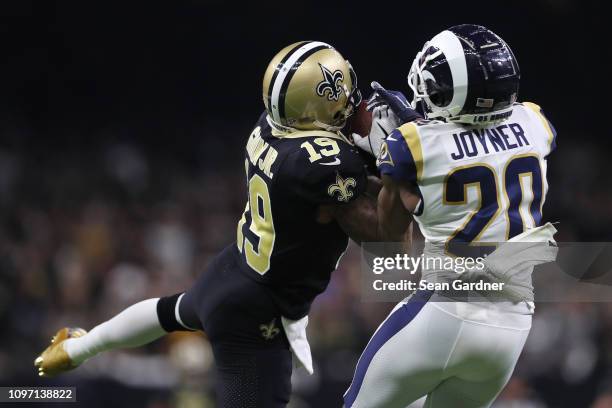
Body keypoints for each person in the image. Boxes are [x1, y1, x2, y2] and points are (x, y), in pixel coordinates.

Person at [35, 41, 395, 407]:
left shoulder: (270, 127)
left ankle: (77, 347)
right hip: (258, 315)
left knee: (172, 310)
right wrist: (394, 164)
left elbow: (328, 165)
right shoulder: (323, 164)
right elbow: (383, 234)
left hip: (233, 271)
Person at [344, 24, 558, 408]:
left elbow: (390, 239)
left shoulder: (412, 145)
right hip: (511, 330)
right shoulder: (535, 123)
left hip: (441, 314)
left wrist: (386, 157)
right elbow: (478, 144)